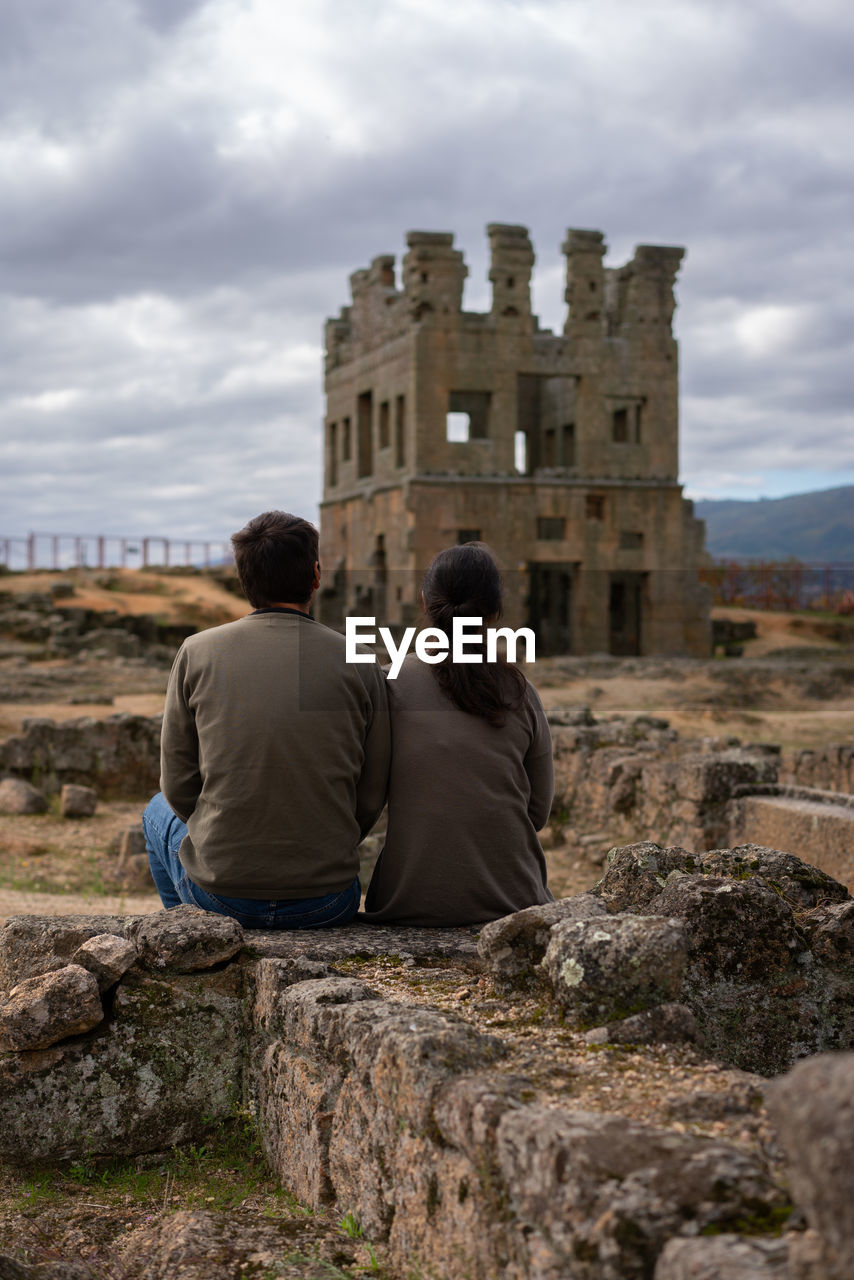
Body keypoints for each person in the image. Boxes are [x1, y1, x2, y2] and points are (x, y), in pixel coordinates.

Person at [142, 510, 390, 929]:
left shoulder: (197, 652)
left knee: (155, 810)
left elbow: (177, 785)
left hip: (220, 895)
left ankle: (190, 937)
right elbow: (372, 791)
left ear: (243, 579)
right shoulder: (362, 662)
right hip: (327, 900)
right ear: (315, 575)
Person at [363, 542, 554, 926]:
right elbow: (537, 812)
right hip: (515, 902)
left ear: (424, 600)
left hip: (406, 901)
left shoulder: (388, 682)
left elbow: (366, 799)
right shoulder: (520, 691)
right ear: (495, 608)